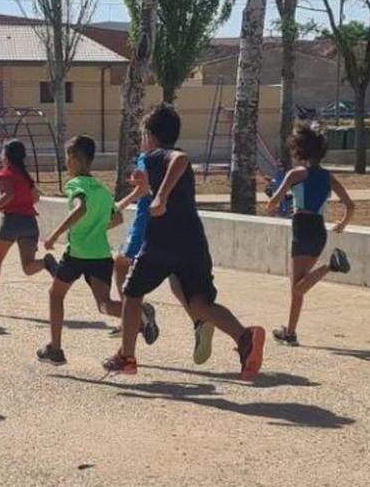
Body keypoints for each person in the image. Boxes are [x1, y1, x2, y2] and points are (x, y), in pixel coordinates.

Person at [102, 104, 265, 379]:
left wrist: (161, 196)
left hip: (161, 242)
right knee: (199, 303)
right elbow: (167, 171)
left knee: (131, 294)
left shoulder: (155, 155)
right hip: (192, 241)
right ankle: (244, 337)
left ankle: (126, 356)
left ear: (149, 135)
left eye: (144, 136)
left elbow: (180, 159)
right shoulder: (157, 161)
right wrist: (147, 188)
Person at [37, 135, 157, 365]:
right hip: (101, 256)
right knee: (104, 305)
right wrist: (134, 195)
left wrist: (54, 234)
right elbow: (116, 218)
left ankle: (55, 348)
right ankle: (140, 312)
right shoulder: (101, 189)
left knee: (55, 294)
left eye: (67, 158)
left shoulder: (75, 184)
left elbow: (81, 209)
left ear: (73, 158)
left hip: (77, 253)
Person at [113, 154, 215, 364]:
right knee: (174, 276)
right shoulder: (173, 158)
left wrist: (122, 202)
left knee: (123, 266)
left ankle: (137, 320)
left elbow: (143, 189)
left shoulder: (148, 157)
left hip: (146, 222)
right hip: (174, 227)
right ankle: (198, 319)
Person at [266, 123, 355, 346]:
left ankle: (331, 266)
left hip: (301, 227)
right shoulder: (328, 177)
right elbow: (350, 204)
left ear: (300, 150)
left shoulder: (296, 174)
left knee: (296, 286)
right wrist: (343, 223)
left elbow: (273, 202)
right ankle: (290, 332)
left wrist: (277, 199)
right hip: (318, 227)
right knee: (299, 287)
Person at [0, 139, 52, 310]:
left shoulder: (6, 174)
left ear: (7, 156)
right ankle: (46, 262)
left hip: (12, 221)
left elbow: (8, 195)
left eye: (2, 152)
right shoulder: (25, 176)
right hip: (30, 222)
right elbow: (36, 198)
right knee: (28, 266)